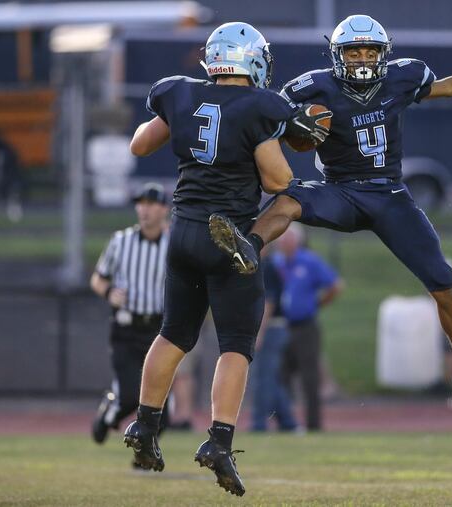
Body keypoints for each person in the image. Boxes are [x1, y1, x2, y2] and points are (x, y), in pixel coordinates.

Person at [209, 14, 452, 422]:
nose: (360, 59)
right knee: (286, 199)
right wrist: (292, 132)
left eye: (369, 51)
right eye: (353, 51)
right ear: (337, 55)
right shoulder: (314, 86)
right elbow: (268, 119)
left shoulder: (403, 76)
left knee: (444, 284)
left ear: (383, 53)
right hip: (340, 190)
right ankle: (247, 247)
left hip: (390, 194)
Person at [121, 22, 322, 497]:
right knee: (235, 344)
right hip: (228, 236)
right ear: (253, 61)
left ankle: (145, 425)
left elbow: (139, 145)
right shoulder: (260, 106)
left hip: (183, 230)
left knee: (173, 334)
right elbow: (276, 180)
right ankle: (219, 441)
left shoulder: (181, 94)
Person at [90, 182, 171, 453]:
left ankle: (142, 458)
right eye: (141, 204)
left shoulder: (173, 245)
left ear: (164, 210)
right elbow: (98, 279)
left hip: (158, 332)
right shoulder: (120, 241)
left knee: (162, 411)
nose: (144, 210)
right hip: (125, 329)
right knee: (129, 396)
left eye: (151, 204)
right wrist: (110, 292)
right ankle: (107, 416)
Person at [274, 223, 342, 431]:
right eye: (282, 239)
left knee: (309, 377)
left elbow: (335, 285)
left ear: (297, 240)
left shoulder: (309, 261)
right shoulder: (275, 263)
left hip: (305, 326)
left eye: (288, 238)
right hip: (281, 326)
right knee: (280, 375)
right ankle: (284, 421)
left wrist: (317, 304)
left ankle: (314, 424)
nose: (284, 242)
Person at [250, 248, 298, 432]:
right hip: (274, 328)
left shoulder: (266, 267)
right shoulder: (266, 265)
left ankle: (259, 423)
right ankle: (288, 422)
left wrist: (259, 332)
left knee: (263, 378)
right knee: (269, 378)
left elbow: (269, 303)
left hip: (270, 328)